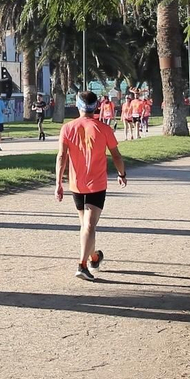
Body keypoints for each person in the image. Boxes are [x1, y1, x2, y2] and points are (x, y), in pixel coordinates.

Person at [54, 91, 126, 282]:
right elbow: (116, 155)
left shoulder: (67, 128)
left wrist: (58, 183)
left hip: (76, 185)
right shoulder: (103, 128)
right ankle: (82, 265)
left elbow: (61, 157)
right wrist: (122, 174)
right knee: (88, 226)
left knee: (86, 226)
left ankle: (94, 257)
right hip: (96, 185)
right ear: (96, 107)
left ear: (78, 106)